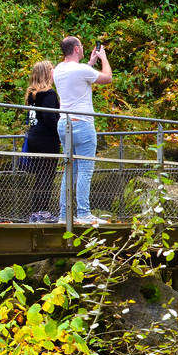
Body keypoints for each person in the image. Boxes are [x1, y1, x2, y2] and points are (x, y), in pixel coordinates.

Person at [54, 35, 113, 225]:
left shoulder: (59, 70)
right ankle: (84, 213)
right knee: (85, 170)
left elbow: (80, 75)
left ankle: (64, 215)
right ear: (77, 49)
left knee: (69, 170)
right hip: (82, 124)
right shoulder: (80, 71)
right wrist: (103, 58)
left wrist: (90, 62)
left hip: (64, 123)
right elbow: (107, 78)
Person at [20, 61, 60, 222]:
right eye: (51, 70)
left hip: (34, 137)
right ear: (46, 73)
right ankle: (42, 212)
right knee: (47, 176)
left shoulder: (32, 94)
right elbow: (50, 117)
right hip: (47, 140)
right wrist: (62, 128)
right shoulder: (49, 94)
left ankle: (36, 211)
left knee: (40, 176)